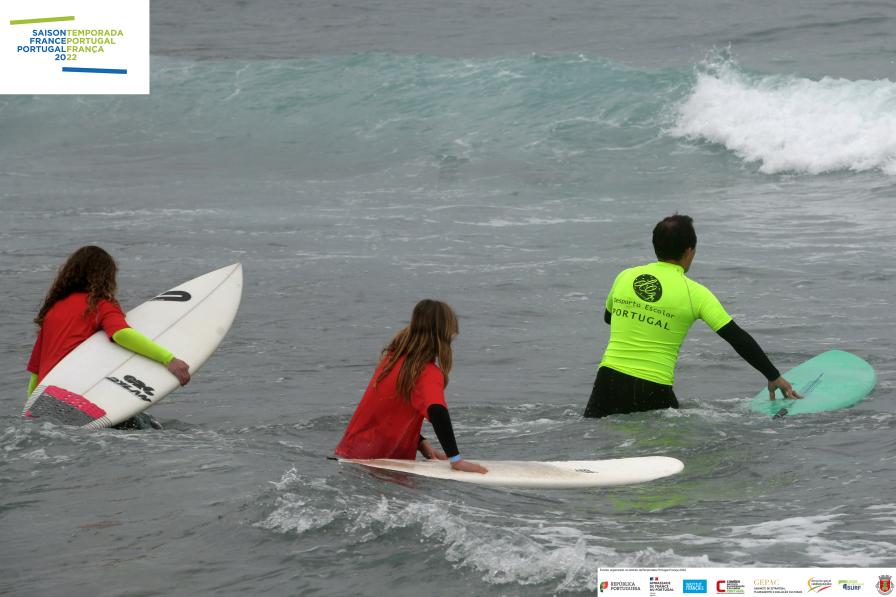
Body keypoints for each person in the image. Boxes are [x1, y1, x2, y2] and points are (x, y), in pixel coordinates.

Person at [584, 215, 801, 418]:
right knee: (665, 455)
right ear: (689, 251)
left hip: (607, 382)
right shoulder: (695, 293)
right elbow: (737, 338)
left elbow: (609, 318)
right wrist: (773, 376)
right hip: (652, 388)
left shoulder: (625, 276)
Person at [26, 246, 191, 429]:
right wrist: (168, 359)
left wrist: (32, 411)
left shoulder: (53, 310)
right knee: (150, 428)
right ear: (106, 276)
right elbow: (121, 334)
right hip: (85, 396)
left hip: (51, 399)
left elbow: (36, 371)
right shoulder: (98, 305)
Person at [335, 300, 487, 474]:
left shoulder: (391, 361)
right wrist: (455, 459)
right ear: (443, 336)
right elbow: (437, 410)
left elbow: (384, 412)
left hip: (349, 458)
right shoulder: (426, 372)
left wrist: (420, 442)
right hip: (383, 468)